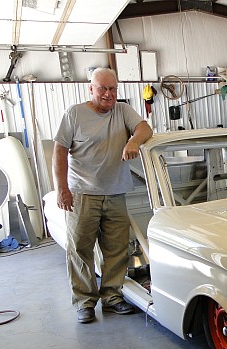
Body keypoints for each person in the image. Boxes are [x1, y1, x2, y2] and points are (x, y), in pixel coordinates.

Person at [52, 68, 153, 323]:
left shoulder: (121, 110)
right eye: (102, 89)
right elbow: (59, 152)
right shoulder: (74, 114)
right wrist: (62, 189)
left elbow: (144, 128)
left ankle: (112, 297)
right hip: (82, 194)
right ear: (91, 89)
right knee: (80, 249)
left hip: (116, 192)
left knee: (116, 249)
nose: (108, 94)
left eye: (113, 89)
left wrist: (133, 142)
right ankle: (84, 302)